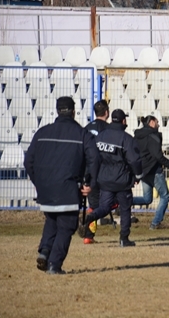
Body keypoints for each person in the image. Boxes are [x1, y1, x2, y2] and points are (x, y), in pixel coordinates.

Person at [25, 96, 100, 274]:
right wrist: (90, 183)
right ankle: (54, 264)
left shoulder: (42, 133)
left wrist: (39, 182)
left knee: (52, 220)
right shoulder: (83, 134)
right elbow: (94, 159)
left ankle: (44, 252)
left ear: (57, 110)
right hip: (69, 188)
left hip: (46, 189)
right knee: (66, 225)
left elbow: (29, 161)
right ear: (74, 112)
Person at [81, 109, 143, 247]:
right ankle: (123, 239)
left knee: (104, 207)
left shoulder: (101, 136)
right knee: (125, 209)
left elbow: (92, 157)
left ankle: (92, 216)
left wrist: (90, 176)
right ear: (123, 121)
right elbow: (134, 160)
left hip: (104, 180)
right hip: (122, 181)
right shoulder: (126, 139)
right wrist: (138, 175)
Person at [132, 115, 169, 230]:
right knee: (165, 196)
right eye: (157, 122)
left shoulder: (137, 136)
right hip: (154, 171)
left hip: (143, 171)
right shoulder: (153, 136)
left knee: (147, 199)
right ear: (151, 122)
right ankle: (155, 223)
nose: (158, 125)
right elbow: (158, 155)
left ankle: (125, 202)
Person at [82, 100, 109, 244]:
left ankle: (88, 236)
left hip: (88, 171)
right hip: (104, 171)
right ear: (107, 112)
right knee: (110, 201)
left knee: (93, 204)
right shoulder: (109, 129)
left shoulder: (85, 128)